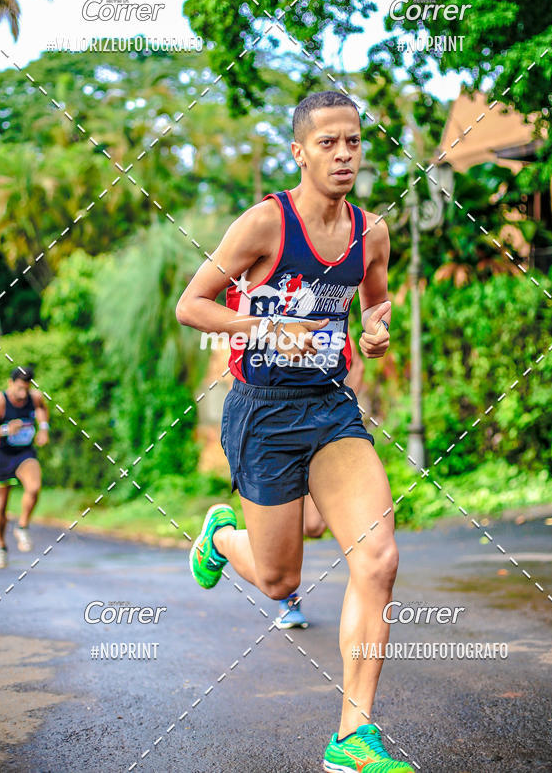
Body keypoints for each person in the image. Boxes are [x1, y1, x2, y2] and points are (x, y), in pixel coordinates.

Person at [177, 90, 414, 772]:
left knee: (378, 559)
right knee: (281, 581)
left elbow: (375, 304)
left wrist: (375, 334)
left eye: (353, 142)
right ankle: (222, 536)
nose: (344, 155)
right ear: (300, 152)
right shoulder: (265, 224)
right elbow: (192, 305)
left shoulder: (372, 233)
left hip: (331, 407)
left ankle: (352, 738)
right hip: (263, 411)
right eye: (328, 143)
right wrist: (266, 327)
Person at [275, 336, 365, 630]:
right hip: (276, 427)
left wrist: (341, 408)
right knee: (283, 532)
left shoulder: (333, 320)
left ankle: (265, 537)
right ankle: (288, 601)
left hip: (324, 425)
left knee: (313, 526)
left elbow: (357, 367)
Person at [0, 367, 49, 569]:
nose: (23, 394)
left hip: (24, 454)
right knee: (1, 506)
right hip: (4, 456)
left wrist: (44, 428)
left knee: (34, 487)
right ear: (10, 383)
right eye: (19, 389)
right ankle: (1, 547)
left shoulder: (35, 397)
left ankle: (22, 526)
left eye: (26, 389)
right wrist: (5, 429)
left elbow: (42, 409)